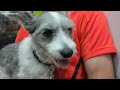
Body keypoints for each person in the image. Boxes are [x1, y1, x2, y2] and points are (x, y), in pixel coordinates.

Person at [15, 11, 117, 79]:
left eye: (68, 30)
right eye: (47, 33)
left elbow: (101, 75)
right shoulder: (25, 32)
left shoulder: (88, 15)